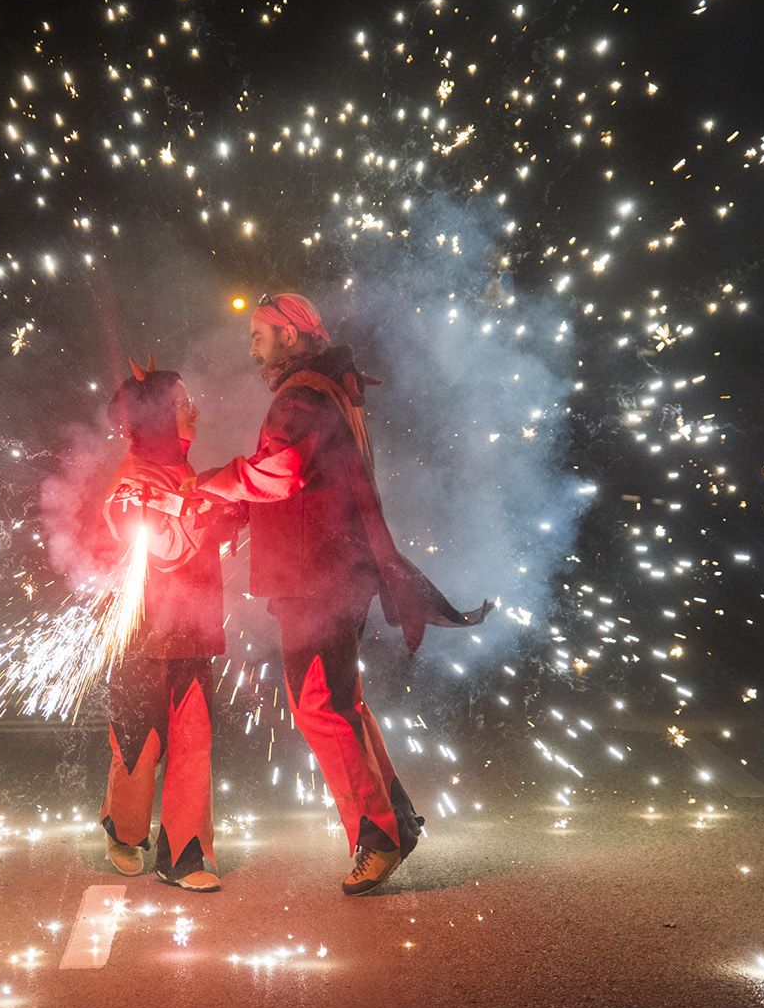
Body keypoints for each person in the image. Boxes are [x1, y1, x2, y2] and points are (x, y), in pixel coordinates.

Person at [196, 293, 491, 895]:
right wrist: (235, 510)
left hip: (317, 576)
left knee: (319, 706)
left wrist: (209, 486)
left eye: (259, 334)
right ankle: (396, 823)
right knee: (338, 700)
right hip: (333, 571)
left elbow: (279, 473)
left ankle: (378, 836)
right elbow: (304, 480)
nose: (251, 346)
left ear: (291, 335)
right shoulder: (328, 387)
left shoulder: (301, 395)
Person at [98, 358, 238, 892]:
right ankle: (125, 831)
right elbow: (164, 544)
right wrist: (208, 508)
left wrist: (225, 512)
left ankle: (185, 854)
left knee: (194, 737)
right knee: (142, 738)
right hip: (143, 632)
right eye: (182, 402)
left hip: (193, 629)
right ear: (159, 415)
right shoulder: (132, 477)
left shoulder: (180, 470)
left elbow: (196, 532)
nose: (194, 409)